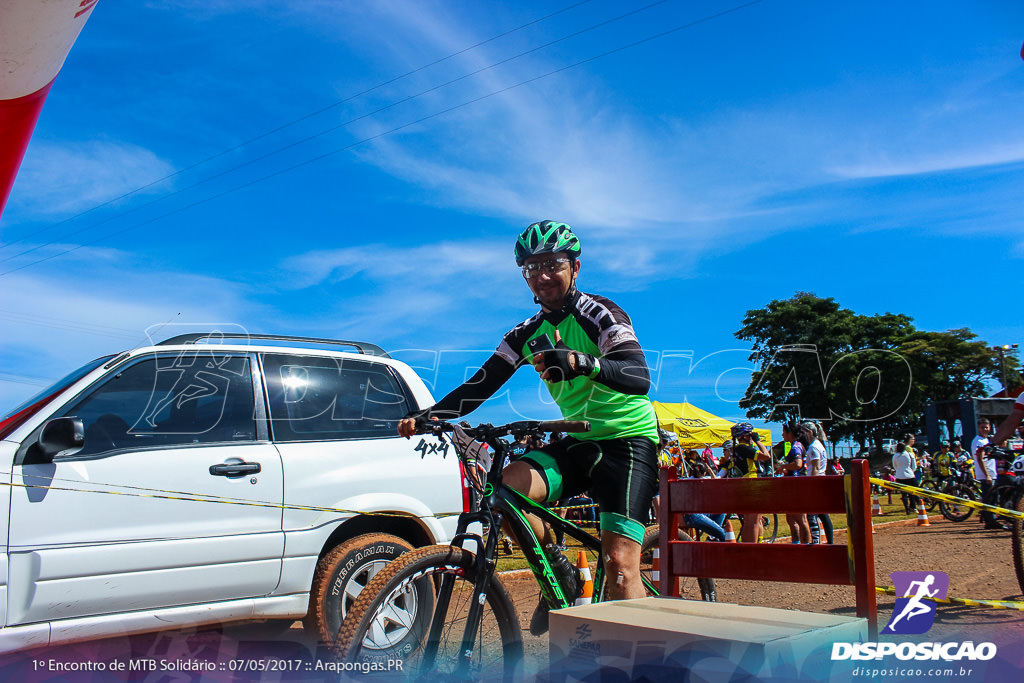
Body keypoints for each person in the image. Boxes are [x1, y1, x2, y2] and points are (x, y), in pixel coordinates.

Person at [397, 221, 659, 635]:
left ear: (575, 267)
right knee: (506, 489)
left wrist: (579, 362)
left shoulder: (600, 314)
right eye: (531, 268)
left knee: (620, 568)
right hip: (577, 439)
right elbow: (482, 383)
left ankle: (645, 663)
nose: (542, 275)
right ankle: (559, 572)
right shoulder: (525, 334)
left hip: (626, 441)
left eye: (553, 264)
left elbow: (637, 375)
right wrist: (430, 416)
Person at [731, 422, 771, 541]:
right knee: (751, 520)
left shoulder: (738, 449)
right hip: (750, 483)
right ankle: (751, 547)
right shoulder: (743, 448)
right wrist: (758, 441)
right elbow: (766, 455)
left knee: (757, 518)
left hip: (748, 483)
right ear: (745, 436)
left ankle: (758, 543)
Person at [776, 420, 810, 544]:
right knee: (791, 519)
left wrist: (783, 466)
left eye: (783, 432)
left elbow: (798, 464)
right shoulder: (794, 445)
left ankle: (805, 546)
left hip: (796, 486)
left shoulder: (796, 446)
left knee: (801, 519)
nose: (782, 434)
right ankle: (795, 543)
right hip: (791, 486)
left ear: (789, 432)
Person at [802, 421, 833, 544]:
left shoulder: (814, 447)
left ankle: (816, 541)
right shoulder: (817, 445)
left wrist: (812, 485)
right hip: (820, 481)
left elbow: (815, 467)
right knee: (822, 515)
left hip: (817, 482)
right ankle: (827, 542)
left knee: (813, 514)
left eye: (803, 432)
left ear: (809, 432)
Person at [972, 417, 1002, 529]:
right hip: (986, 475)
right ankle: (990, 521)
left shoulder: (987, 440)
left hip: (992, 473)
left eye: (986, 427)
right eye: (982, 427)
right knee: (989, 498)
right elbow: (980, 459)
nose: (985, 429)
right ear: (979, 428)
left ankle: (990, 519)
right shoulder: (978, 441)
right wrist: (987, 475)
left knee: (994, 498)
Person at [892, 442, 918, 515]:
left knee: (904, 494)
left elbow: (895, 466)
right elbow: (914, 465)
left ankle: (907, 509)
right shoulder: (909, 454)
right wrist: (911, 471)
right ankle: (913, 507)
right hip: (910, 476)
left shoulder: (895, 456)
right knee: (912, 492)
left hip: (899, 476)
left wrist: (899, 471)